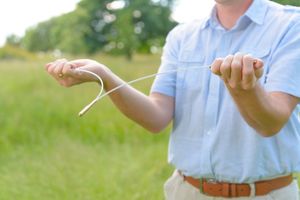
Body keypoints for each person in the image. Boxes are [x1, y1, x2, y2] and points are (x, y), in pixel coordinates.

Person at [46, 0, 300, 199]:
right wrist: (105, 76)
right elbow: (156, 117)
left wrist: (244, 88)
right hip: (185, 192)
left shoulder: (291, 25)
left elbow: (271, 122)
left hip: (265, 195)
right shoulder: (182, 36)